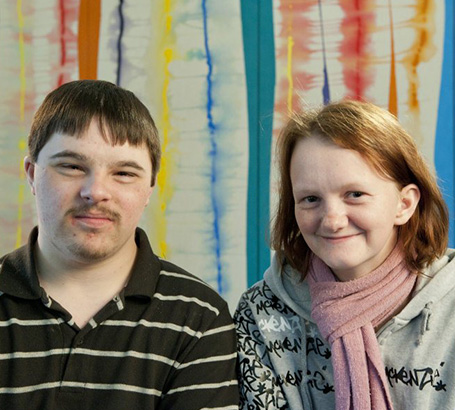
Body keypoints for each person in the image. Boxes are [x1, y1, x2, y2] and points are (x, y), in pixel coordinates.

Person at [0, 80, 239, 409]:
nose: (96, 191)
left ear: (150, 188)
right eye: (71, 166)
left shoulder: (199, 319)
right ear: (31, 174)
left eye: (124, 173)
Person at [235, 100, 455, 409]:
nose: (332, 221)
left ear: (404, 204)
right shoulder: (261, 312)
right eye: (310, 198)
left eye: (355, 195)